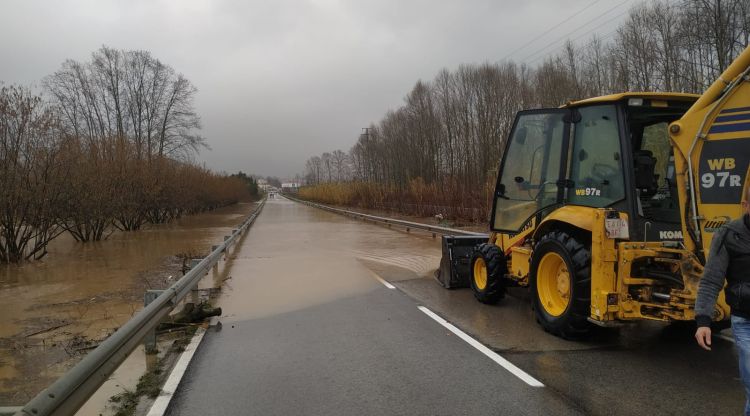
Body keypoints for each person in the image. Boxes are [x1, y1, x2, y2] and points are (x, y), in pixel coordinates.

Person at [695, 186, 750, 415]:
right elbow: (710, 281)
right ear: (746, 205)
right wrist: (703, 321)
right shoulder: (728, 235)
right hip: (745, 322)